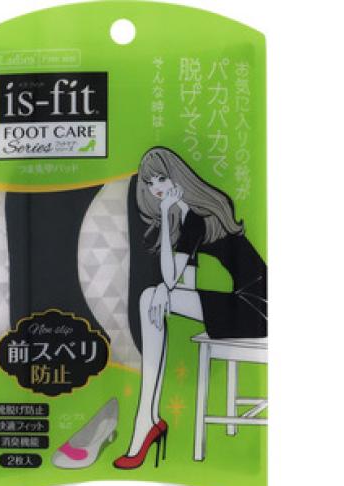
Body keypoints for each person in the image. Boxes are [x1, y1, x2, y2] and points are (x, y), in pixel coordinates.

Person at [113, 147, 267, 469]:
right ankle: (147, 419)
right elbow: (184, 282)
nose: (157, 187)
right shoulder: (186, 218)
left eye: (162, 178)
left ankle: (146, 422)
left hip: (258, 310)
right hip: (249, 305)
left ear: (177, 176)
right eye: (150, 182)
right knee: (152, 298)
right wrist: (164, 291)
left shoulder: (196, 218)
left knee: (150, 298)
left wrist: (163, 289)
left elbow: (171, 279)